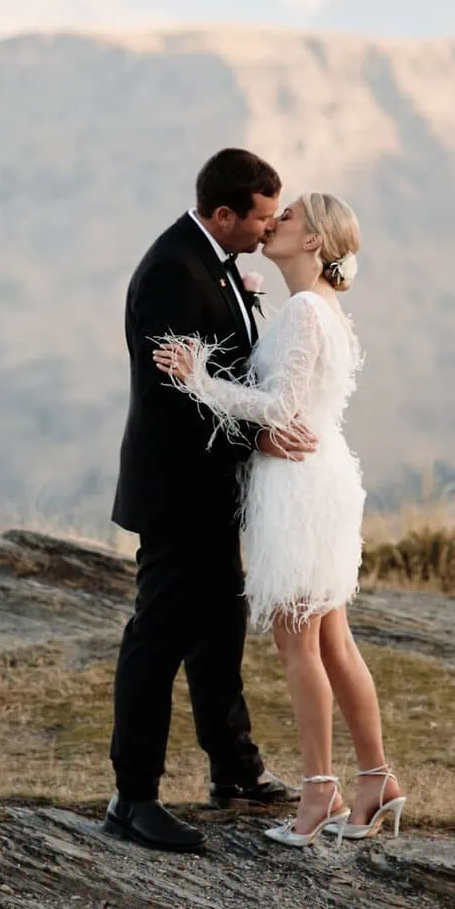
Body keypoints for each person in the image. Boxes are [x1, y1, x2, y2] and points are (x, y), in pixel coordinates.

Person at [152, 191, 404, 847]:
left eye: (286, 218)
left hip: (296, 487)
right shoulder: (325, 309)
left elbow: (279, 406)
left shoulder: (303, 310)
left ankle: (320, 792)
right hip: (323, 479)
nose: (273, 224)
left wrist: (196, 377)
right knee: (333, 641)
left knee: (299, 643)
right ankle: (376, 780)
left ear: (314, 241)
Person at [103, 148, 308, 853]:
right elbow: (173, 397)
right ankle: (133, 799)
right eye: (259, 217)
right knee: (155, 639)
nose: (267, 227)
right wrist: (257, 438)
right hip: (178, 490)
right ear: (224, 214)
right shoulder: (171, 270)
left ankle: (235, 771)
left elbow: (224, 367)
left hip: (214, 489)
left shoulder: (212, 260)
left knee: (220, 631)